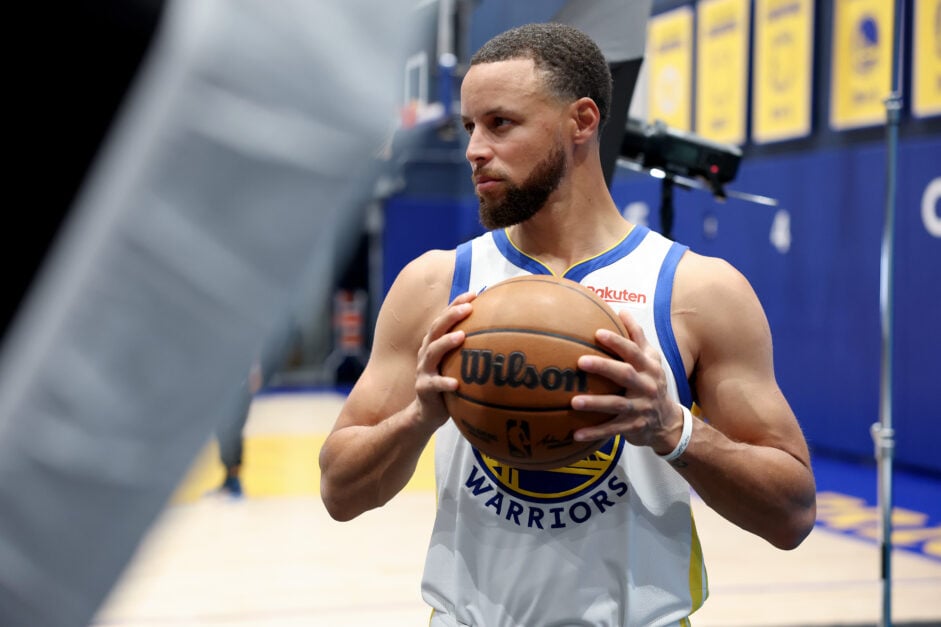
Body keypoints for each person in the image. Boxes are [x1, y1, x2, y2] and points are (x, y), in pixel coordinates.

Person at [319, 22, 816, 626]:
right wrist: (417, 417)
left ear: (582, 121)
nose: (474, 148)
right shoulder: (435, 284)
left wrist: (673, 429)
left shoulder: (696, 291)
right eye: (470, 126)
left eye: (500, 123)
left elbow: (792, 515)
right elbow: (339, 492)